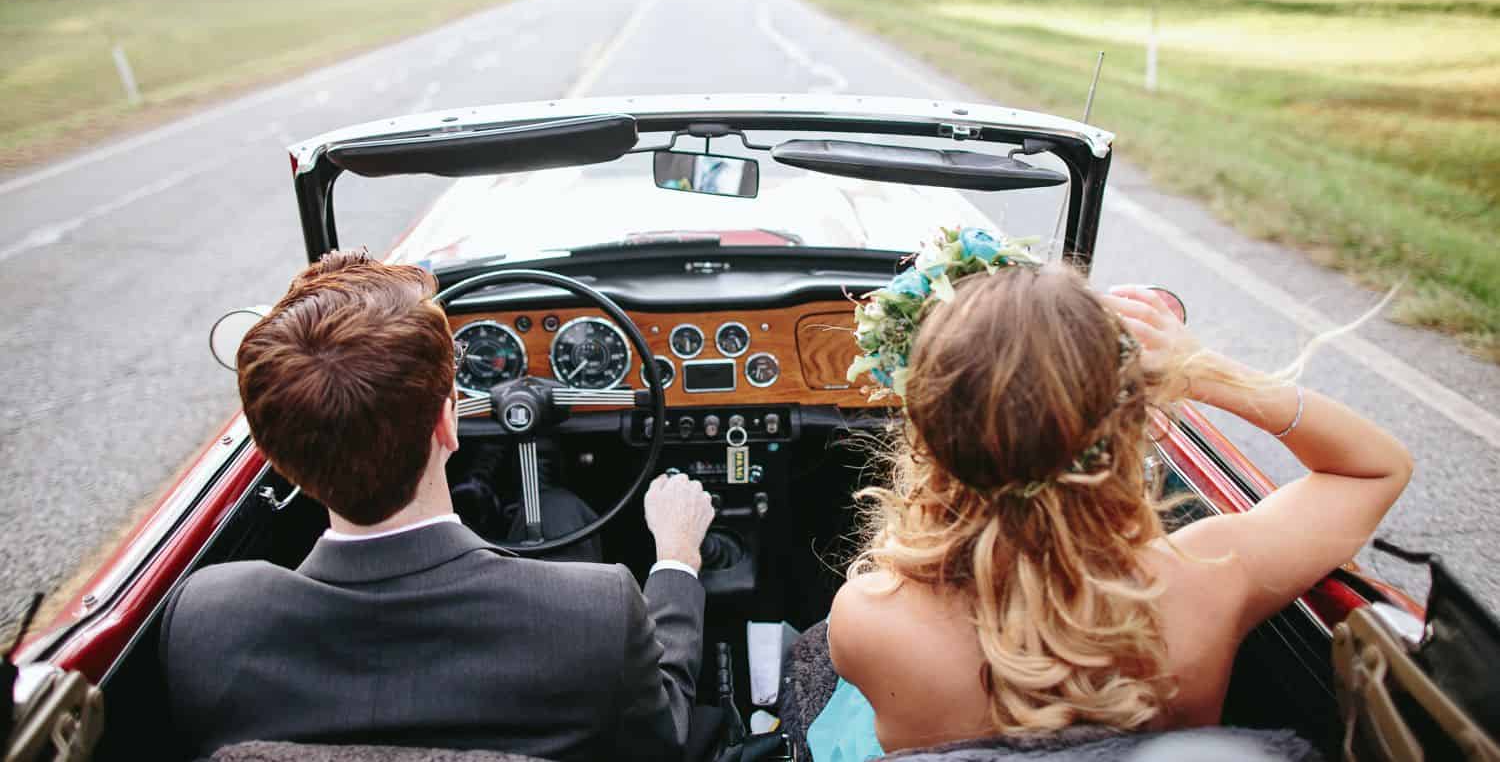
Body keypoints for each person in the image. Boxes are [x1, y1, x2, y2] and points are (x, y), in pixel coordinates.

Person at [810, 246, 1412, 757]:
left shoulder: (869, 617)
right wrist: (1206, 372)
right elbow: (1375, 469)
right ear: (1128, 426)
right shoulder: (1210, 573)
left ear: (928, 437)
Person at [159, 250, 716, 761]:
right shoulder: (597, 614)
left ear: (276, 455)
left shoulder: (207, 622)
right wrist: (676, 558)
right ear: (449, 422)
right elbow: (662, 738)